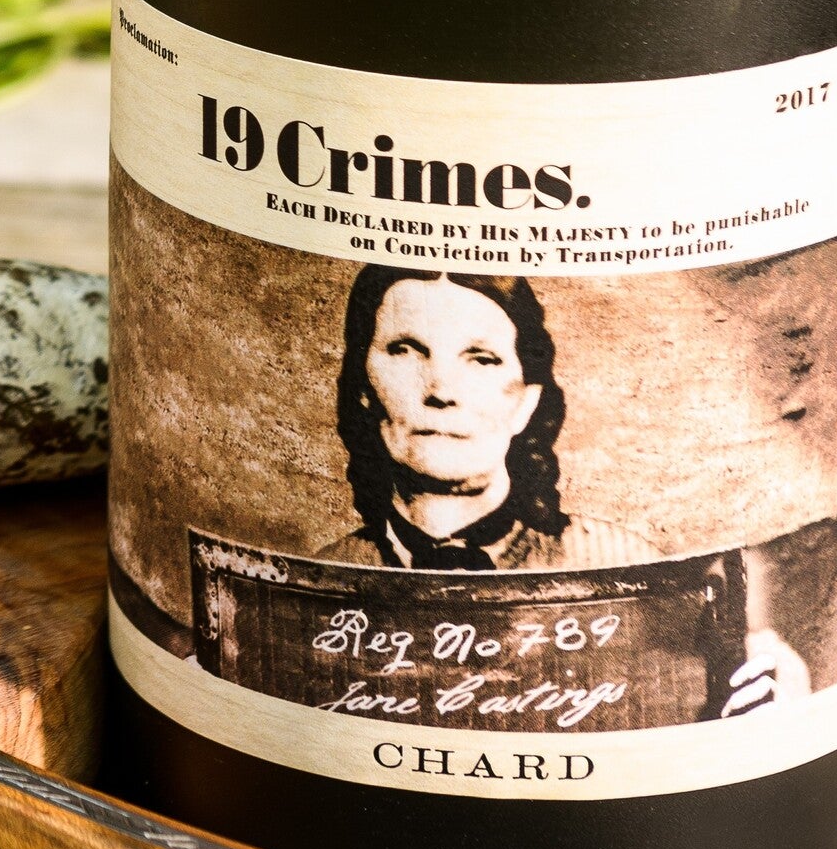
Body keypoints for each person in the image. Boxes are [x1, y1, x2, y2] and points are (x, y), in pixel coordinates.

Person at [319, 269, 806, 714]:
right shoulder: (320, 588)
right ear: (364, 386)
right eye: (406, 351)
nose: (441, 390)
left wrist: (769, 708)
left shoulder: (630, 569)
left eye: (481, 360)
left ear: (526, 403)